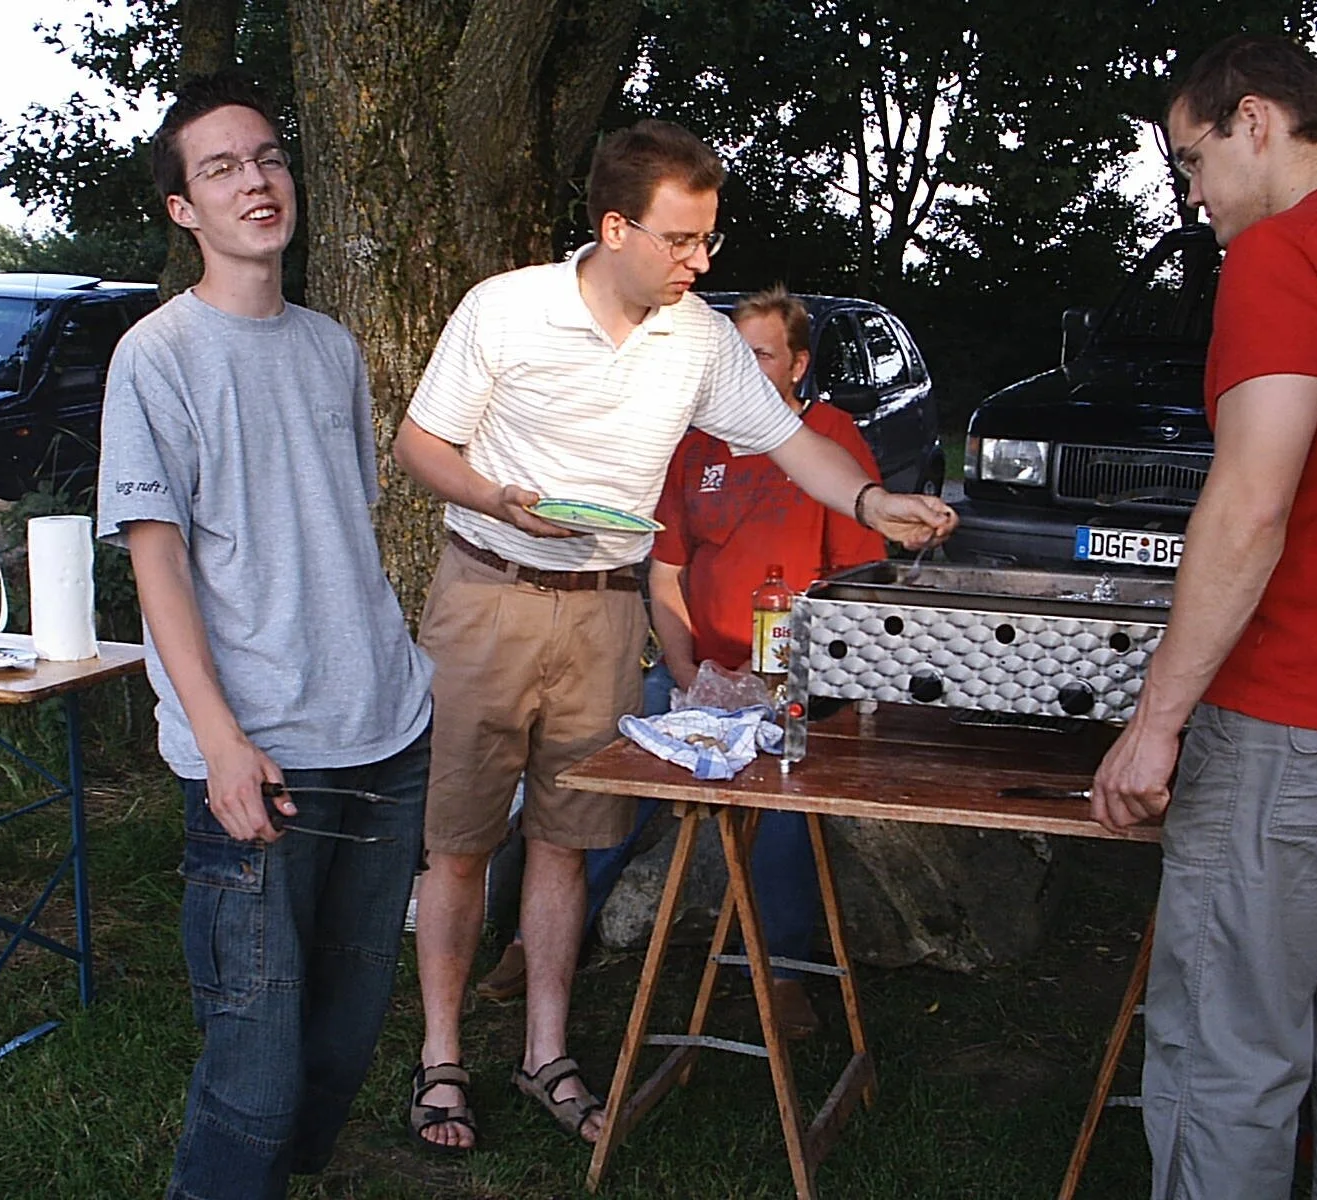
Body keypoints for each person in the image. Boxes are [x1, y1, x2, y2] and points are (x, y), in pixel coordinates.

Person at [392, 118, 957, 1153]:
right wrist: (494, 497)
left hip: (608, 609)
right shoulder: (505, 311)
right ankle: (439, 1057)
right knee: (459, 841)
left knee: (570, 838)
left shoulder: (696, 337)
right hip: (490, 591)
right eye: (684, 241)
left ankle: (544, 1054)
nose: (704, 262)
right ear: (616, 229)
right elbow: (417, 442)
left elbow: (792, 443)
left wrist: (874, 504)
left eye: (707, 239)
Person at [96, 72, 433, 1200]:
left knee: (339, 1053)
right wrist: (219, 738)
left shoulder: (332, 347)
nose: (258, 181)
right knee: (256, 1068)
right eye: (222, 167)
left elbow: (334, 531)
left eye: (271, 156)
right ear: (183, 209)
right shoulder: (156, 355)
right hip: (261, 755)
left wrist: (407, 683)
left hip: (382, 736)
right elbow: (159, 563)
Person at [1089, 33, 1317, 1200]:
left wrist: (1155, 722)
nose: (1192, 196)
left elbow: (1249, 504)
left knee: (1230, 1057)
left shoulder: (1284, 255)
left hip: (1290, 720)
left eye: (1191, 161)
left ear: (1255, 122)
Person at [477, 287, 889, 1040]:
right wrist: (687, 669)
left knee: (783, 810)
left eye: (760, 354)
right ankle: (533, 945)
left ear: (798, 364)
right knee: (610, 781)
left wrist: (792, 678)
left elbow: (856, 581)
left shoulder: (828, 436)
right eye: (733, 355)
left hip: (790, 679)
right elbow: (664, 574)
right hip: (696, 670)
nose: (741, 370)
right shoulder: (694, 448)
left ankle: (786, 973)